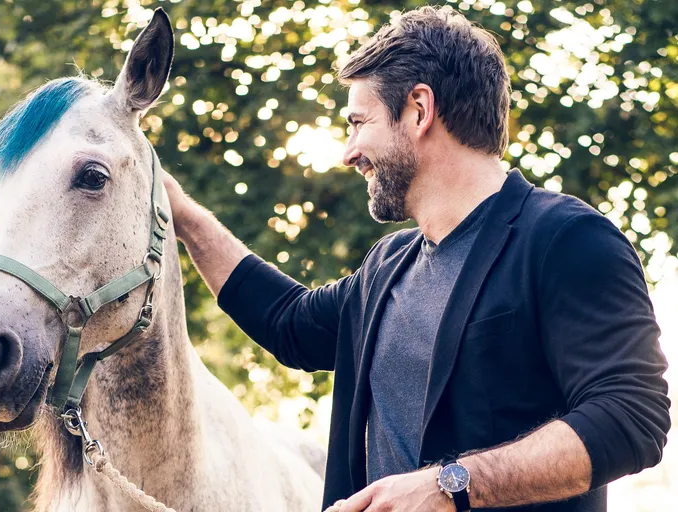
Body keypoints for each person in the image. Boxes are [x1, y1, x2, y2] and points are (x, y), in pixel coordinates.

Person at [162, 5, 670, 512]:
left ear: (419, 110)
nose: (348, 152)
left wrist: (451, 486)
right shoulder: (387, 266)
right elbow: (287, 321)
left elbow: (631, 417)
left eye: (358, 123)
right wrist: (180, 212)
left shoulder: (567, 239)